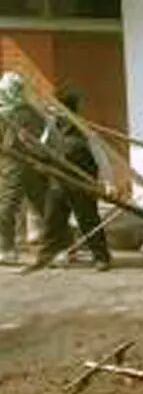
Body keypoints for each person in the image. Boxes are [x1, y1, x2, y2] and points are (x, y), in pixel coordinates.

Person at [26, 91, 111, 272]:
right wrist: (29, 146)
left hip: (81, 184)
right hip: (57, 182)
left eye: (54, 107)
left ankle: (101, 257)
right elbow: (43, 151)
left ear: (63, 109)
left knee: (88, 220)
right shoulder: (51, 129)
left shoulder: (85, 131)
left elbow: (100, 158)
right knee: (52, 221)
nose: (50, 110)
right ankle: (46, 256)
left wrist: (108, 182)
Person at [0, 72, 45, 265]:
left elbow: (26, 141)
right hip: (19, 165)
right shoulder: (13, 111)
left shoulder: (23, 113)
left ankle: (6, 249)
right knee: (40, 203)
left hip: (19, 165)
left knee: (7, 207)